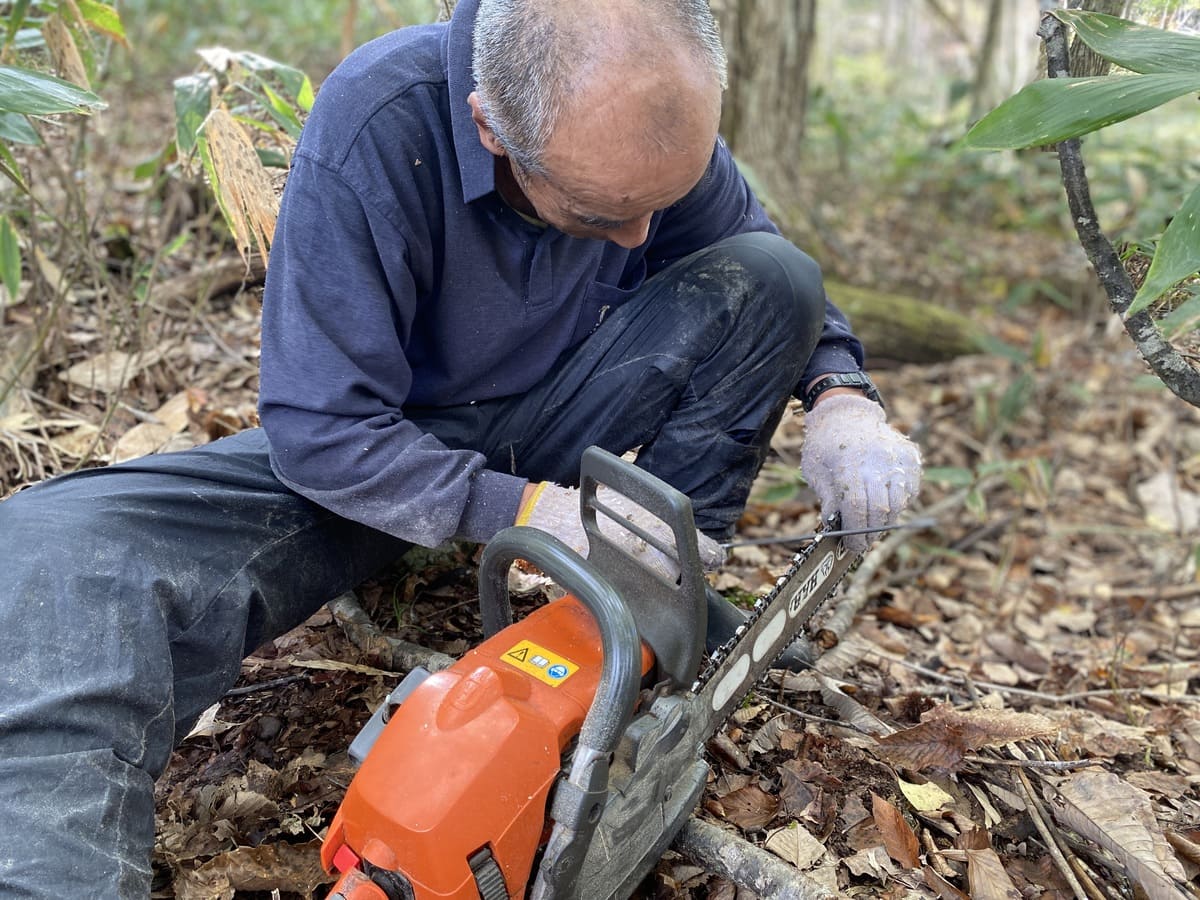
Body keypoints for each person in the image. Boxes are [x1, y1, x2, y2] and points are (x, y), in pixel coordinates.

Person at [0, 0, 921, 894]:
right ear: (490, 128)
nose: (641, 239)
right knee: (56, 548)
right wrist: (522, 512)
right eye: (602, 214)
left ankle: (651, 600)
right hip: (388, 448)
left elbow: (755, 252)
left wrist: (843, 397)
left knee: (775, 279)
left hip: (560, 412)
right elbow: (321, 428)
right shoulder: (376, 126)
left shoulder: (634, 118)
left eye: (660, 204)